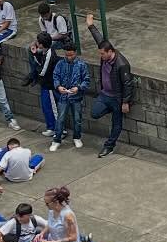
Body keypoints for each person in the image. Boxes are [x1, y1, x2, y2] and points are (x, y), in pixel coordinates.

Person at [84, 13, 134, 158]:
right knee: (95, 113)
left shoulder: (122, 64)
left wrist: (125, 102)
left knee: (116, 124)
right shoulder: (105, 52)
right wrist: (90, 25)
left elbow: (128, 83)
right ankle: (111, 109)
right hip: (105, 94)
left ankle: (109, 146)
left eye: (103, 54)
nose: (101, 57)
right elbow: (99, 39)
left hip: (117, 97)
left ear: (110, 52)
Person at [50, 38, 91, 151]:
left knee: (77, 118)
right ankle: (56, 139)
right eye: (67, 55)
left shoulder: (81, 65)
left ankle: (77, 137)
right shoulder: (60, 64)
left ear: (75, 53)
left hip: (76, 96)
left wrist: (78, 88)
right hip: (63, 96)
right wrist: (58, 87)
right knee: (60, 118)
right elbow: (55, 76)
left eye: (71, 55)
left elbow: (86, 80)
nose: (69, 57)